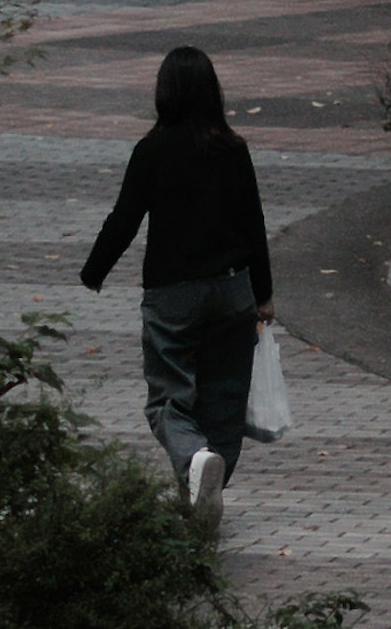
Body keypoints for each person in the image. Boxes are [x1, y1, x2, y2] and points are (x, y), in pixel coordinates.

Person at [81, 44, 272, 529]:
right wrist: (264, 293)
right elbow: (254, 223)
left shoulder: (153, 150)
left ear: (165, 94)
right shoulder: (233, 149)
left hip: (174, 294)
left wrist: (94, 271)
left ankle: (193, 463)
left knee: (169, 399)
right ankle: (204, 495)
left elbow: (124, 219)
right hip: (233, 292)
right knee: (224, 402)